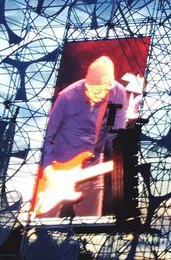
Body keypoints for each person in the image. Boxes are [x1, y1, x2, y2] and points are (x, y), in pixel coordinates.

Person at [36, 55, 136, 216]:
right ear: (86, 83)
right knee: (41, 229)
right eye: (94, 89)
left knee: (91, 232)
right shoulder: (67, 97)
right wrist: (49, 172)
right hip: (58, 170)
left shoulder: (117, 93)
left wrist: (122, 159)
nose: (98, 94)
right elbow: (46, 137)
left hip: (93, 168)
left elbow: (115, 136)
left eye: (103, 90)